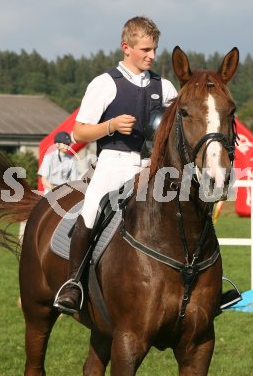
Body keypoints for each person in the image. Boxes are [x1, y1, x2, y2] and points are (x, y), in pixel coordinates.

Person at [53, 16, 178, 314]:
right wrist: (110, 125)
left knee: (188, 211)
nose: (152, 56)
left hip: (152, 167)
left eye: (155, 49)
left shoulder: (166, 87)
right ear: (126, 47)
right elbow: (79, 132)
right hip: (114, 162)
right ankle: (74, 283)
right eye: (146, 50)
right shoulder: (106, 84)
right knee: (92, 211)